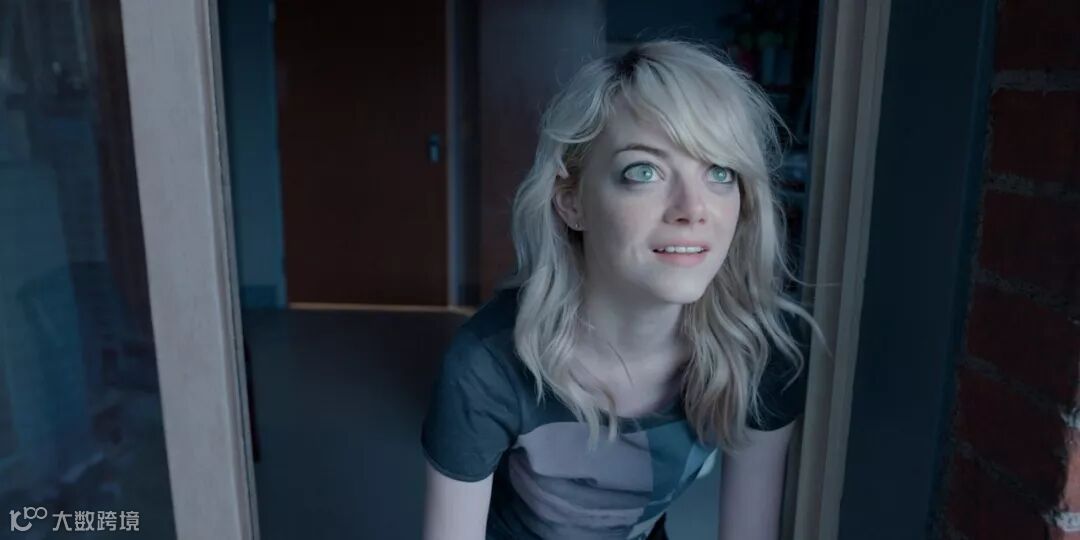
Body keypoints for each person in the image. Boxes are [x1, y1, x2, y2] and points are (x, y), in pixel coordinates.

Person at [421, 40, 815, 540]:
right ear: (571, 202)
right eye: (643, 172)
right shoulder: (488, 364)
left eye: (720, 172)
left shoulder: (762, 350)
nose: (693, 209)